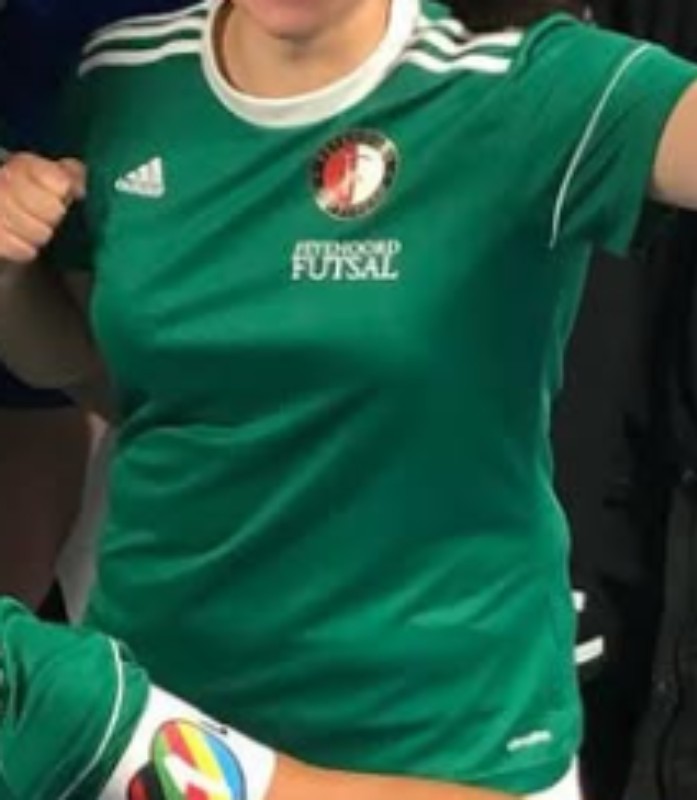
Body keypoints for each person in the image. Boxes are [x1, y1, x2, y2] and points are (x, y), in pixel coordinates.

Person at [2, 0, 697, 797]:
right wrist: (9, 277)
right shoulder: (122, 74)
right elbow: (106, 377)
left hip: (441, 746)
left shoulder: (524, 83)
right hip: (165, 733)